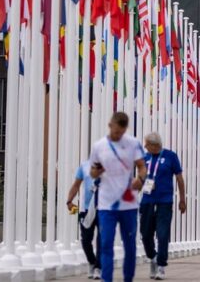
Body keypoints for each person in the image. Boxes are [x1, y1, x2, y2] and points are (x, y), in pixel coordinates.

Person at [88, 112, 146, 282]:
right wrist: (97, 171)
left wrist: (141, 179)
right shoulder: (99, 146)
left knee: (130, 245)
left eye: (121, 132)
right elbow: (92, 172)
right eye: (115, 132)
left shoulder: (133, 144)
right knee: (106, 244)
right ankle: (107, 279)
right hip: (107, 204)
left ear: (125, 129)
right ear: (110, 125)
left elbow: (142, 166)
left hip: (128, 203)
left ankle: (128, 278)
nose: (118, 135)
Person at [138, 132, 185, 280]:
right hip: (147, 200)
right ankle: (152, 257)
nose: (145, 147)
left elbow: (179, 178)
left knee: (162, 233)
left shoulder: (170, 156)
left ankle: (161, 266)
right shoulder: (145, 158)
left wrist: (182, 199)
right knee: (145, 234)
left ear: (154, 145)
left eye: (147, 144)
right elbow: (140, 179)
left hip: (164, 201)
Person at [65, 158, 100, 279]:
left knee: (102, 239)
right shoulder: (84, 166)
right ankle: (92, 262)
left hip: (103, 208)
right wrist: (69, 201)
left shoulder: (109, 165)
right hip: (86, 209)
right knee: (85, 239)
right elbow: (76, 185)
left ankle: (98, 267)